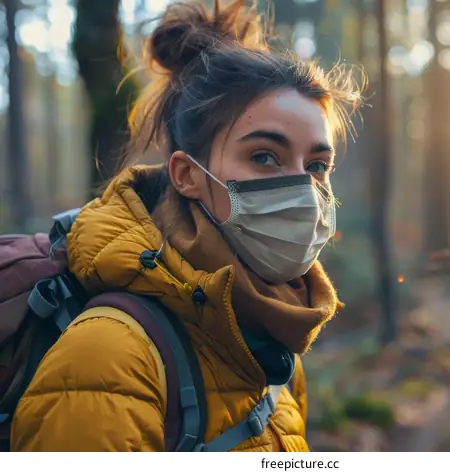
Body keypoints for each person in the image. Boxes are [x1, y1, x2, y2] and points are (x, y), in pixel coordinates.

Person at [10, 0, 363, 452]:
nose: (302, 188)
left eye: (317, 164)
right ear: (187, 175)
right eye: (263, 157)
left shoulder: (275, 343)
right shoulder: (108, 357)